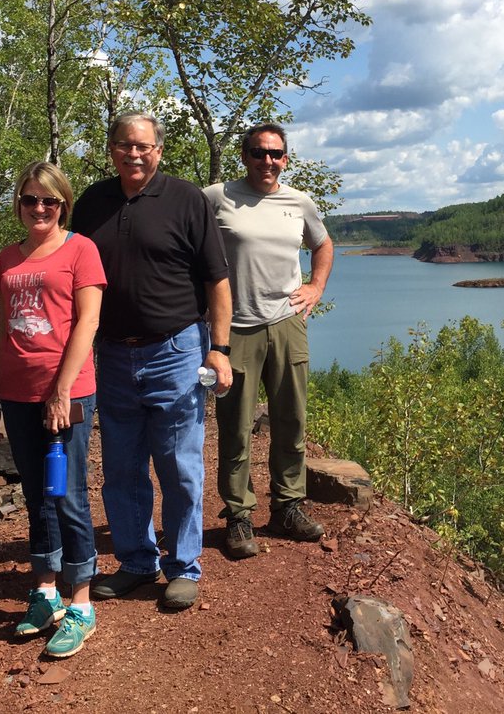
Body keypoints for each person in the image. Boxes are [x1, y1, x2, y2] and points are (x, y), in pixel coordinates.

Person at [71, 111, 232, 611]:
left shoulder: (186, 200)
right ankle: (137, 562)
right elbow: (73, 274)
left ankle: (183, 566)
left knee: (180, 465)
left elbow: (217, 280)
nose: (133, 154)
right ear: (111, 149)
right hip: (113, 353)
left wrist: (219, 349)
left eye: (143, 146)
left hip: (176, 349)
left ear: (159, 150)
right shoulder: (92, 202)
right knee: (121, 466)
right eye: (124, 145)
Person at [0, 162, 105, 658]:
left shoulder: (81, 250)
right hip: (16, 392)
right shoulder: (8, 258)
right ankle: (45, 592)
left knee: (69, 493)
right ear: (19, 203)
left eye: (49, 201)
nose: (39, 208)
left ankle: (82, 603)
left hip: (67, 393)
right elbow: (0, 330)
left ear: (63, 205)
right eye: (31, 199)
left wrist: (62, 390)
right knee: (37, 494)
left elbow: (88, 321)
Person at [203, 124, 334, 558]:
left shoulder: (298, 202)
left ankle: (287, 506)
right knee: (236, 426)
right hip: (235, 327)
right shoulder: (216, 197)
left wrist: (315, 287)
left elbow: (323, 243)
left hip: (287, 323)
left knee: (290, 420)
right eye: (259, 153)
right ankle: (238, 514)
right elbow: (188, 247)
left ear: (286, 158)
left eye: (276, 154)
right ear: (244, 155)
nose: (268, 161)